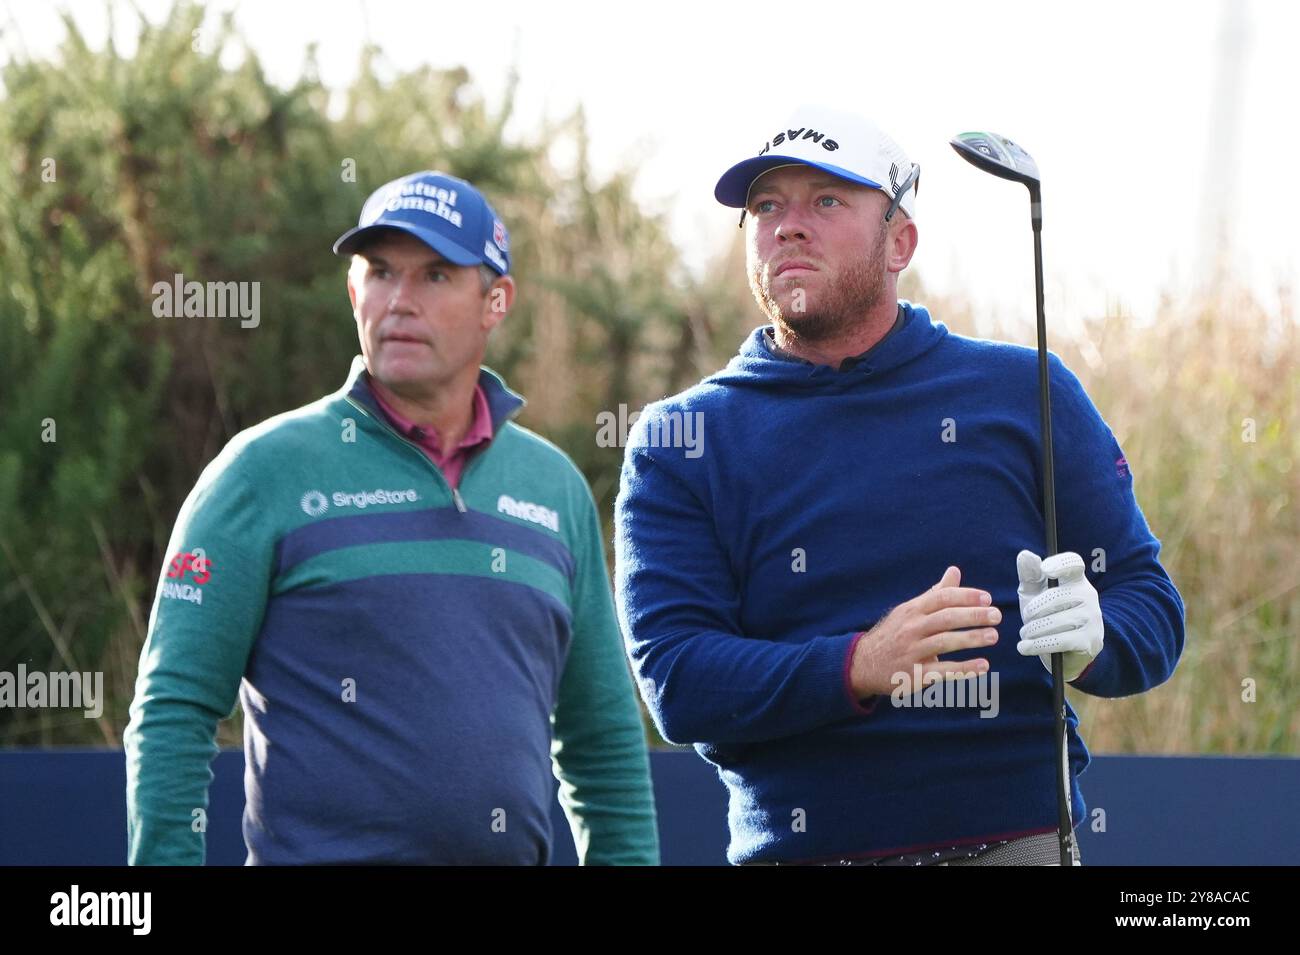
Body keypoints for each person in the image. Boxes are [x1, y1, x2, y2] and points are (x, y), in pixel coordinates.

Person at [613, 106, 1185, 866]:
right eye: (766, 206)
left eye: (825, 200)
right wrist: (858, 663)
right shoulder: (681, 438)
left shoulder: (1025, 390)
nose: (788, 226)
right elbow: (678, 679)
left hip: (1015, 843)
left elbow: (1151, 602)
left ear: (899, 242)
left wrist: (1095, 636)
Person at [125, 170, 659, 865]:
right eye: (380, 272)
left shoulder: (552, 485)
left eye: (435, 276)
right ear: (354, 292)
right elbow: (175, 706)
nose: (400, 300)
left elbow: (602, 738)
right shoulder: (261, 471)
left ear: (496, 300)